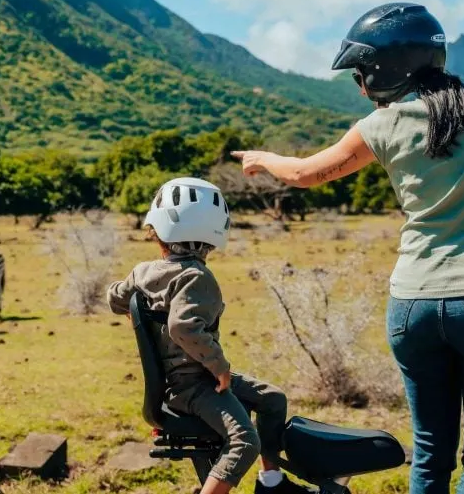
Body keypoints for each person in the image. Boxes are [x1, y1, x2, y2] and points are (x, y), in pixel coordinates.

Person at [231, 2, 464, 494]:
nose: (361, 85)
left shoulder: (381, 127)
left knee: (430, 456)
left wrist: (263, 158)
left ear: (386, 71)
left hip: (413, 305)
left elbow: (305, 173)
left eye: (361, 74)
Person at [107, 177, 316, 494]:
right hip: (194, 384)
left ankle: (271, 483)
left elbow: (115, 298)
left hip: (179, 381)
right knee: (245, 441)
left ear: (159, 231)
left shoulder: (143, 271)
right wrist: (219, 366)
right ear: (214, 234)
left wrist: (138, 309)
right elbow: (183, 327)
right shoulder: (196, 276)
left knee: (273, 399)